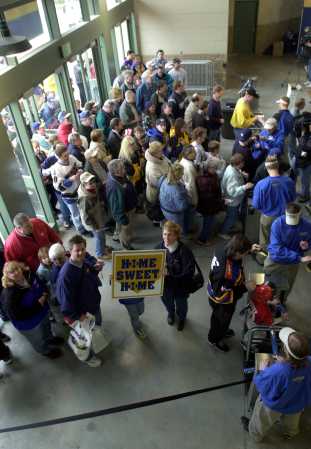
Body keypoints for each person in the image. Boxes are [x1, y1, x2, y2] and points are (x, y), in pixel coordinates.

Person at [241, 327, 311, 442]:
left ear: (286, 351)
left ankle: (255, 434)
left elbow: (262, 385)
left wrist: (263, 371)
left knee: (262, 419)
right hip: (297, 402)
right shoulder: (309, 362)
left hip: (275, 406)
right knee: (292, 419)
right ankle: (290, 432)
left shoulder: (278, 371)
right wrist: (285, 361)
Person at [56, 235, 104, 367]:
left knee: (95, 330)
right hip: (82, 314)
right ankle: (88, 358)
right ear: (69, 251)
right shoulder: (66, 276)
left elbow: (89, 274)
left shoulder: (82, 262)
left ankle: (96, 340)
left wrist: (96, 269)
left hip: (93, 306)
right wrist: (78, 316)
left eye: (83, 249)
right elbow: (65, 303)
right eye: (77, 250)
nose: (81, 252)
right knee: (83, 340)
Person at [207, 234, 259, 351]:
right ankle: (215, 339)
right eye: (245, 253)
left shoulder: (225, 247)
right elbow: (223, 291)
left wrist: (250, 249)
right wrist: (245, 287)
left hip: (218, 289)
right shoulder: (227, 273)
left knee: (222, 319)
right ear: (237, 253)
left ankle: (222, 331)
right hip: (222, 300)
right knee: (220, 320)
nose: (245, 255)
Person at [1, 261, 63, 358]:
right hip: (29, 323)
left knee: (46, 327)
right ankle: (45, 350)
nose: (16, 273)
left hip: (42, 312)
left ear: (20, 268)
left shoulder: (29, 274)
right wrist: (38, 304)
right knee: (38, 339)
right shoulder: (10, 294)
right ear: (7, 276)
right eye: (11, 272)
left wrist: (45, 292)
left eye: (17, 269)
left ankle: (50, 338)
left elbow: (40, 283)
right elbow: (17, 315)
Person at [264, 203, 311, 303]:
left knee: (287, 286)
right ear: (285, 213)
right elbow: (277, 250)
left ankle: (282, 303)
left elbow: (309, 241)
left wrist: (306, 246)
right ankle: (267, 304)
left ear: (300, 214)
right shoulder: (277, 224)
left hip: (292, 264)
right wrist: (299, 258)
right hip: (276, 261)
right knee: (270, 285)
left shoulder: (307, 226)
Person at [157, 221, 196, 331]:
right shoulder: (157, 248)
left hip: (180, 288)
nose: (166, 237)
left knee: (181, 306)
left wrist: (170, 274)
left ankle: (182, 318)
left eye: (170, 234)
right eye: (164, 234)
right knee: (168, 303)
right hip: (165, 288)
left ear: (176, 236)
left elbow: (189, 273)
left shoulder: (184, 251)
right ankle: (171, 314)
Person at [253, 156, 296, 250]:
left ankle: (264, 258)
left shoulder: (261, 184)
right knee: (282, 237)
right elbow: (293, 199)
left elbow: (256, 205)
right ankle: (281, 256)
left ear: (266, 167)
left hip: (267, 217)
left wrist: (264, 209)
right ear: (278, 166)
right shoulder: (289, 181)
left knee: (265, 240)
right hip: (284, 216)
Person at [78, 172, 111, 261]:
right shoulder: (84, 198)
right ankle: (100, 253)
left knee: (101, 236)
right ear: (84, 184)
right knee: (99, 237)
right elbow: (86, 217)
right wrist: (95, 226)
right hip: (94, 223)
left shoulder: (90, 189)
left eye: (93, 181)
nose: (94, 184)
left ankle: (103, 247)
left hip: (98, 218)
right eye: (90, 183)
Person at [219, 154, 253, 240]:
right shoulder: (232, 175)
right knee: (231, 216)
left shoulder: (231, 167)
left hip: (233, 200)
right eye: (242, 163)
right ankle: (223, 232)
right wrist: (245, 187)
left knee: (232, 215)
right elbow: (232, 192)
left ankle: (229, 226)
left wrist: (241, 173)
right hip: (232, 201)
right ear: (239, 164)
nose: (244, 164)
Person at [106, 159, 137, 250]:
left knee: (126, 229)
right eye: (123, 167)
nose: (125, 169)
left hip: (128, 208)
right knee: (124, 231)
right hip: (124, 213)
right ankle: (126, 246)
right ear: (117, 171)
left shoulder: (119, 176)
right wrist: (124, 221)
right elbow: (116, 208)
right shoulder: (114, 187)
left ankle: (127, 237)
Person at [196, 159, 224, 246]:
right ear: (208, 168)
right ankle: (202, 239)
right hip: (208, 206)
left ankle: (204, 236)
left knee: (208, 222)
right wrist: (221, 200)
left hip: (209, 205)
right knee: (207, 223)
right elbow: (209, 197)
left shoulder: (207, 176)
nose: (216, 170)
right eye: (214, 168)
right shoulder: (206, 181)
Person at [159, 162, 190, 232]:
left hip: (164, 208)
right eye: (182, 173)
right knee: (176, 230)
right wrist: (186, 196)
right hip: (174, 214)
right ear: (177, 175)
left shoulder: (163, 178)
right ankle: (176, 241)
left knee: (170, 226)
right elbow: (182, 207)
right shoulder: (177, 190)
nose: (183, 174)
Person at [36, 246, 63, 323]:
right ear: (41, 260)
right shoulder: (40, 271)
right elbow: (42, 285)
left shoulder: (54, 263)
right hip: (51, 294)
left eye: (48, 257)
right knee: (55, 308)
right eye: (44, 258)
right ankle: (60, 320)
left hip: (58, 289)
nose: (47, 259)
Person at [145, 141, 170, 222]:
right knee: (160, 213)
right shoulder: (152, 167)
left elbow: (168, 163)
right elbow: (159, 183)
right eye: (160, 151)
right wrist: (170, 175)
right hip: (156, 193)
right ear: (154, 153)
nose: (162, 152)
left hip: (163, 190)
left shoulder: (160, 156)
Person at [296, 120, 311, 203]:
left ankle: (306, 196)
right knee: (303, 179)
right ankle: (304, 193)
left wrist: (302, 153)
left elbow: (307, 148)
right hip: (303, 162)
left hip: (306, 163)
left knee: (305, 180)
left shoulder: (308, 137)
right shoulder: (305, 135)